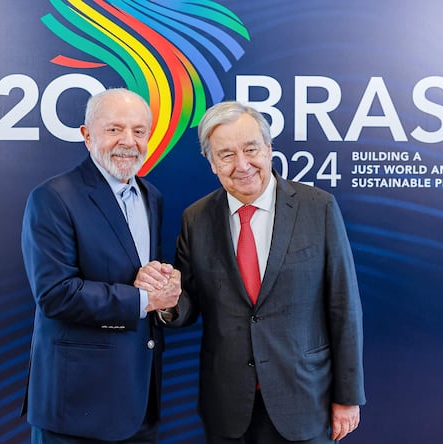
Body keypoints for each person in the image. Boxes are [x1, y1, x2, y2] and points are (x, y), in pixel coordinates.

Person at [138, 101, 365, 443]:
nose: (242, 165)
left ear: (269, 149)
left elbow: (343, 306)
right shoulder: (196, 219)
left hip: (304, 399)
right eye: (226, 154)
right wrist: (167, 301)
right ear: (212, 163)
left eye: (251, 149)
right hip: (228, 405)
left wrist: (347, 397)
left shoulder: (318, 208)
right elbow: (187, 305)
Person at [21, 88, 181, 444]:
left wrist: (164, 287)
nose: (129, 141)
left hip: (139, 401)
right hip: (77, 406)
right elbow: (55, 295)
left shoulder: (151, 195)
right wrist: (144, 300)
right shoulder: (52, 197)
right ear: (87, 135)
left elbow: (138, 274)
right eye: (114, 129)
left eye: (139, 131)